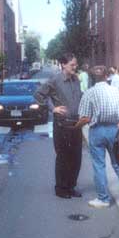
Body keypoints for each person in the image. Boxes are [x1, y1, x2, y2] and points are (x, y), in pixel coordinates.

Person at [75, 66, 119, 208]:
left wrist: (76, 127)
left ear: (91, 78)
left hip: (97, 130)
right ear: (106, 76)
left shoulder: (89, 93)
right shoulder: (116, 91)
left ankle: (103, 198)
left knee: (99, 165)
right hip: (114, 129)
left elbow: (84, 117)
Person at [34, 53, 83, 199]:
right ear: (63, 65)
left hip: (77, 124)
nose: (75, 67)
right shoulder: (55, 80)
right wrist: (52, 108)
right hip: (62, 124)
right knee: (63, 157)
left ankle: (71, 186)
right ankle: (61, 189)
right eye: (72, 65)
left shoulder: (76, 79)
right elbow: (38, 94)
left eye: (76, 64)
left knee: (76, 158)